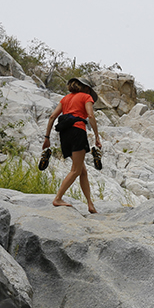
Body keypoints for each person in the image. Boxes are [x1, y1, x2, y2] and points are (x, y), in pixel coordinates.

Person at [44, 78, 102, 212]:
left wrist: (47, 138)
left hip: (64, 134)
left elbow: (52, 116)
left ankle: (90, 204)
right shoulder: (86, 97)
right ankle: (58, 198)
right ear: (87, 88)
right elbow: (91, 116)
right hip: (77, 132)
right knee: (75, 170)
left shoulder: (65, 99)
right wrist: (97, 137)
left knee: (83, 171)